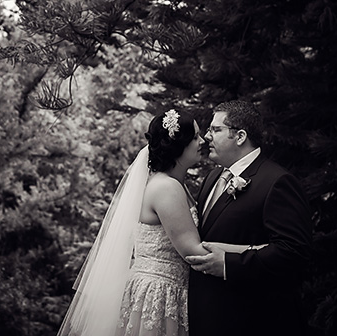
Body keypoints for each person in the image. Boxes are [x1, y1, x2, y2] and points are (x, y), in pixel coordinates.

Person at [58, 109, 259, 336]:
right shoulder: (166, 187)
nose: (202, 141)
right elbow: (193, 251)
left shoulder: (175, 185)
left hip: (171, 289)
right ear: (178, 145)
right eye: (194, 137)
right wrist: (254, 250)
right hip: (158, 294)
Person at [186, 100, 313, 336]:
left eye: (215, 130)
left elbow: (293, 252)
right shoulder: (212, 178)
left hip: (253, 319)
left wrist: (229, 264)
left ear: (240, 136)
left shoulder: (277, 182)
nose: (206, 137)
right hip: (207, 316)